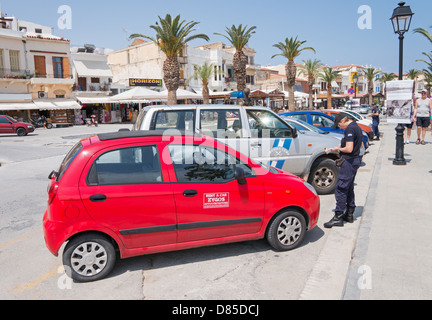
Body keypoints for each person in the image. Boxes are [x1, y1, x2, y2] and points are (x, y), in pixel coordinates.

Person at [324, 113, 364, 228]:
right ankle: (349, 213)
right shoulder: (357, 127)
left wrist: (338, 149)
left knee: (341, 188)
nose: (339, 127)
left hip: (349, 162)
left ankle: (338, 216)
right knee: (349, 187)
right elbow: (360, 145)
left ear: (343, 120)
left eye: (339, 124)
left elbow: (349, 148)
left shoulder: (350, 129)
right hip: (355, 160)